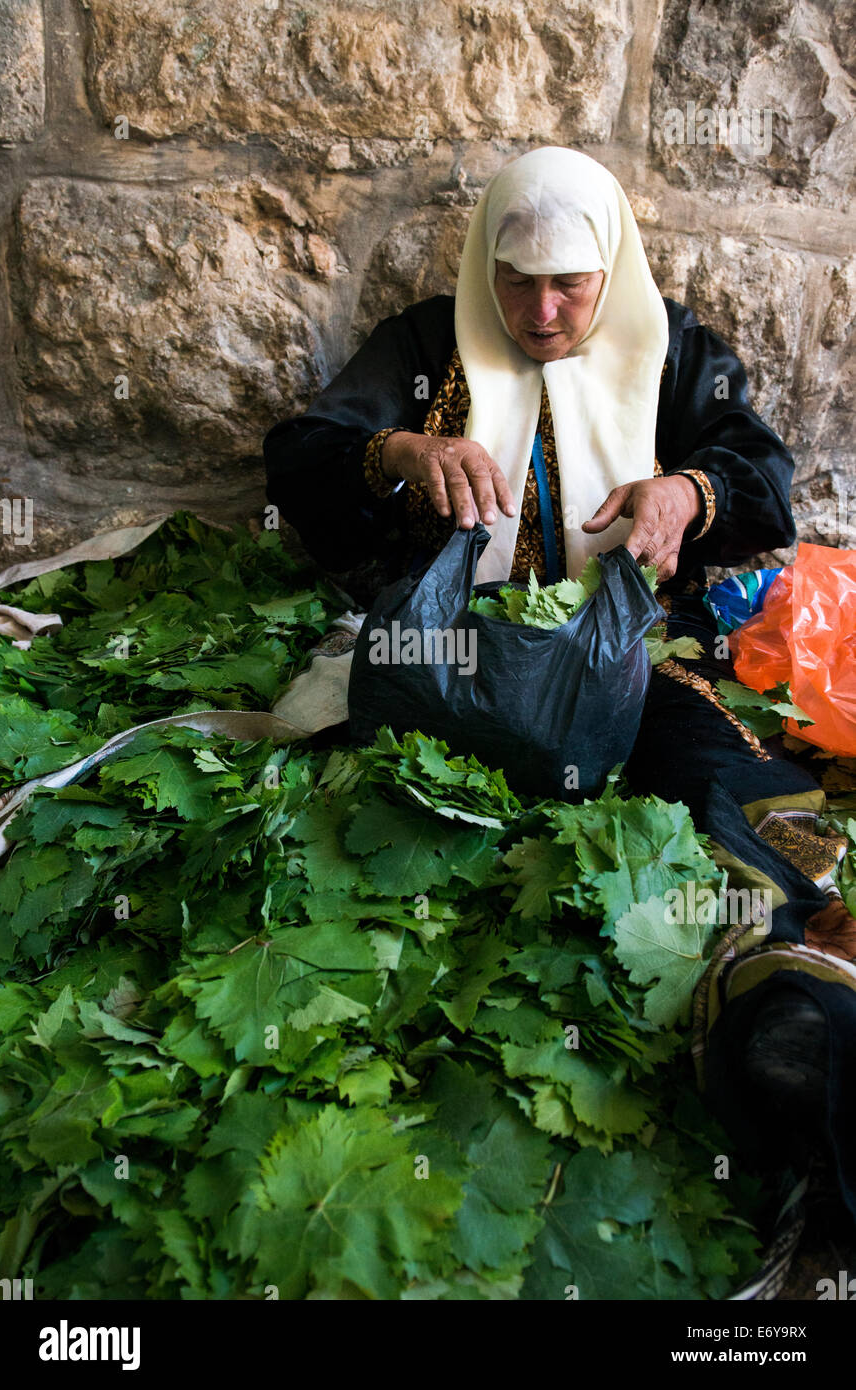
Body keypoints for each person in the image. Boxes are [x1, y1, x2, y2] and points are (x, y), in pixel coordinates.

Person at [264, 146, 856, 1232]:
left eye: (569, 285)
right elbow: (301, 453)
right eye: (517, 281)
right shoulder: (422, 349)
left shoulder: (668, 351)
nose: (542, 312)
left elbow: (762, 475)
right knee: (376, 826)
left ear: (608, 268)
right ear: (483, 266)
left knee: (717, 782)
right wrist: (400, 452)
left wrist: (686, 491)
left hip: (628, 652)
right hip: (460, 660)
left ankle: (787, 991)